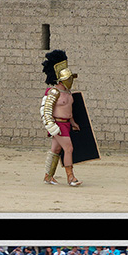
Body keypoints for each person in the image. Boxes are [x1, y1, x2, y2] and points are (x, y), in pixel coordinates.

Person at [40, 49, 82, 186]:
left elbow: (68, 111)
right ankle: (71, 177)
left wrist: (73, 122)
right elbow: (46, 111)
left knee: (56, 150)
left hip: (66, 124)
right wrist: (52, 127)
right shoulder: (54, 92)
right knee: (68, 148)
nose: (71, 81)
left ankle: (48, 176)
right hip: (57, 124)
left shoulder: (68, 92)